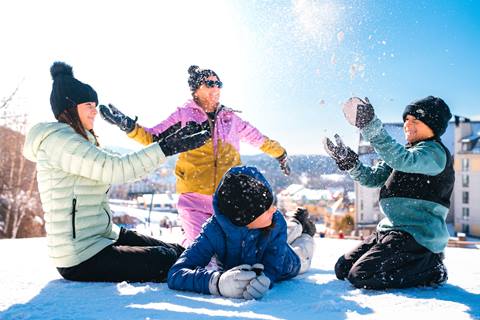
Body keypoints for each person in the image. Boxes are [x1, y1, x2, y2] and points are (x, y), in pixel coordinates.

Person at [22, 62, 210, 282]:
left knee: (177, 250)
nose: (95, 110)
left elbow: (122, 163)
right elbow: (116, 170)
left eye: (95, 104)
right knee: (165, 258)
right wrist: (166, 147)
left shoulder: (81, 142)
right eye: (89, 105)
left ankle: (213, 265)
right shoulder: (61, 142)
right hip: (80, 255)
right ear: (70, 107)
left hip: (103, 237)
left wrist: (162, 140)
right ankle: (211, 281)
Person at [100, 65, 291, 247]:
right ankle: (187, 242)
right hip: (194, 198)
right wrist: (129, 126)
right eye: (210, 83)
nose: (216, 87)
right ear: (196, 89)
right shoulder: (183, 115)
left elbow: (259, 139)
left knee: (235, 252)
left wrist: (280, 154)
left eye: (219, 84)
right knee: (203, 255)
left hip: (228, 199)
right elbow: (154, 137)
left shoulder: (230, 118)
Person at [324, 96, 454, 290]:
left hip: (417, 236)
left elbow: (402, 160)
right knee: (343, 268)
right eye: (406, 120)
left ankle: (432, 267)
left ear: (433, 125)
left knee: (362, 275)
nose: (407, 125)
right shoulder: (405, 153)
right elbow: (372, 179)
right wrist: (352, 164)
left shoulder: (434, 153)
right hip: (390, 231)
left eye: (415, 121)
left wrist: (371, 127)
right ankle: (415, 264)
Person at [167, 166, 316, 300]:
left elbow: (273, 267)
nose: (274, 209)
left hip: (287, 261)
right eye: (266, 208)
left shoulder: (276, 221)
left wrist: (265, 280)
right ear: (245, 218)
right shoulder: (214, 230)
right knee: (278, 230)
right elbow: (176, 274)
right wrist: (216, 283)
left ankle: (304, 229)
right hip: (265, 239)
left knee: (302, 255)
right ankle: (297, 224)